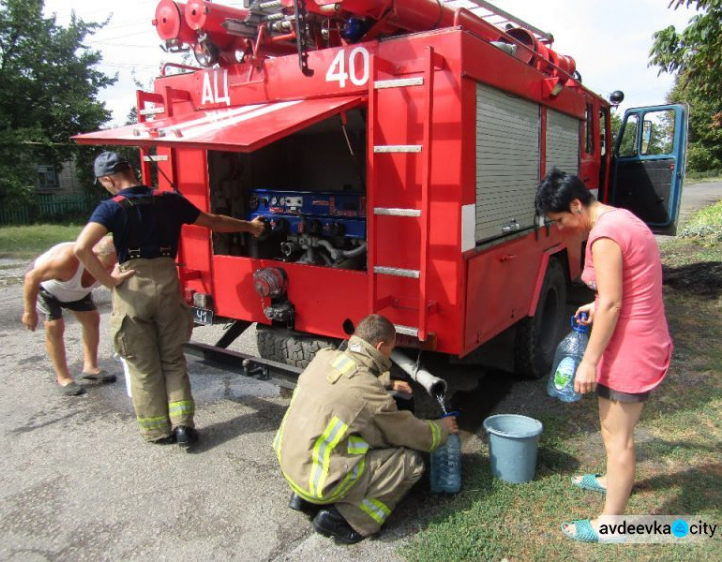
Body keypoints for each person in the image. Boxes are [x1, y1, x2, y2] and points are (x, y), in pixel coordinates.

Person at [74, 151, 265, 448]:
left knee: (143, 365)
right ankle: (184, 427)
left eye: (104, 183)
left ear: (109, 179)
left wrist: (108, 280)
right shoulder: (169, 199)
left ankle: (157, 431)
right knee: (173, 360)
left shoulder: (110, 208)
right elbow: (213, 221)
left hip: (132, 288)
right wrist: (250, 226)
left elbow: (81, 248)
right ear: (133, 170)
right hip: (167, 283)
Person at [535, 169, 672, 543]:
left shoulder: (605, 234)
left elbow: (613, 303)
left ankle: (611, 525)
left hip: (633, 345)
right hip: (636, 336)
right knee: (613, 431)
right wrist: (597, 306)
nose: (562, 228)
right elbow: (623, 289)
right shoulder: (623, 218)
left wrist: (590, 361)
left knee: (618, 437)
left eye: (561, 220)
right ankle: (613, 479)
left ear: (576, 204)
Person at [273, 314, 459, 544]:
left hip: (291, 462)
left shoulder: (325, 357)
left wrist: (387, 383)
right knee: (410, 463)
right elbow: (410, 432)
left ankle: (305, 499)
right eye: (391, 349)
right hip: (316, 480)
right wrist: (441, 428)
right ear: (380, 346)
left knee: (344, 435)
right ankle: (344, 519)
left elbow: (345, 380)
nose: (391, 355)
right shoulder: (370, 397)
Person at [22, 238, 118, 396]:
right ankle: (63, 377)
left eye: (113, 265)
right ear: (91, 256)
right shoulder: (67, 260)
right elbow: (31, 278)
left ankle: (90, 368)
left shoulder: (113, 264)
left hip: (76, 291)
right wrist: (29, 311)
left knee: (92, 320)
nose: (110, 270)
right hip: (47, 289)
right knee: (55, 326)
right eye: (107, 266)